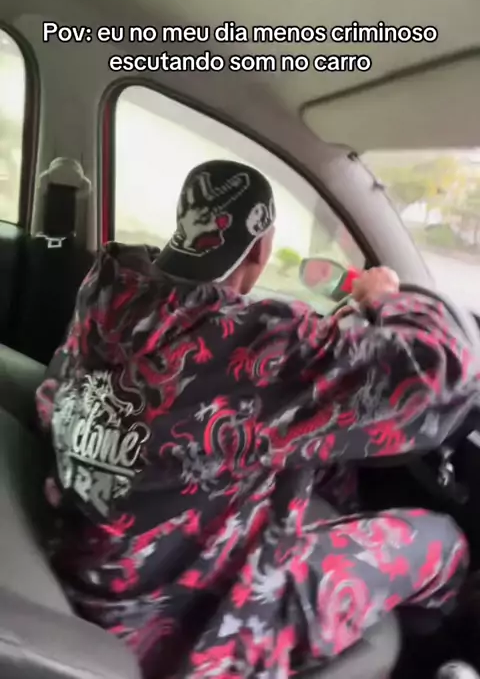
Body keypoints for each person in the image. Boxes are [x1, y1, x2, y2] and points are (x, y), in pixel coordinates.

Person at [35, 159, 480, 679]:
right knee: (442, 540)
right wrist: (388, 300)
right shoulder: (252, 342)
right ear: (261, 250)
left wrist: (329, 336)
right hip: (182, 621)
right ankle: (427, 661)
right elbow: (443, 369)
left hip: (91, 558)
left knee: (328, 471)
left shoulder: (110, 290)